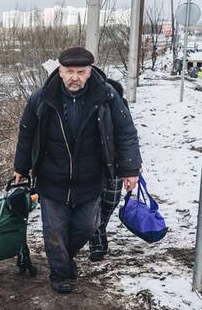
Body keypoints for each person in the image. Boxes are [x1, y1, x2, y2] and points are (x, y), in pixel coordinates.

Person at [13, 46, 142, 294]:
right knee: (54, 231)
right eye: (69, 71)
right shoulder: (42, 98)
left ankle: (62, 258)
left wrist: (130, 169)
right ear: (59, 71)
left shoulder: (107, 97)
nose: (75, 77)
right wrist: (21, 166)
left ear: (90, 72)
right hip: (52, 178)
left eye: (80, 72)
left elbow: (126, 132)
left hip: (90, 178)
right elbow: (27, 132)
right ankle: (61, 273)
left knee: (87, 226)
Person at [87, 79, 130, 262]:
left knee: (110, 202)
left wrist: (131, 167)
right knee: (93, 204)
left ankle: (99, 227)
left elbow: (126, 135)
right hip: (92, 166)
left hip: (115, 165)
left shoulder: (120, 106)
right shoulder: (88, 107)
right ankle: (96, 242)